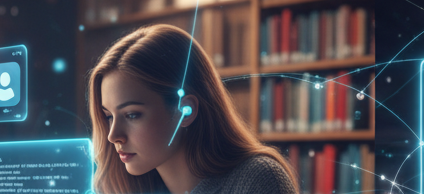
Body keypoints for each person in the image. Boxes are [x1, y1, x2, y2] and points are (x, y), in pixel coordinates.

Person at [89, 24, 297, 194]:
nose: (113, 136)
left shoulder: (256, 180)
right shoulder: (120, 188)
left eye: (132, 115)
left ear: (184, 110)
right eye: (108, 116)